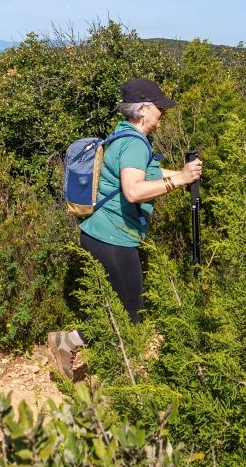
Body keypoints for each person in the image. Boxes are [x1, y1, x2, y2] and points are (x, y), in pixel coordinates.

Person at [78, 77, 204, 323]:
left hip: (101, 233)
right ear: (142, 109)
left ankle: (75, 344)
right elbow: (133, 191)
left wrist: (183, 174)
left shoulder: (124, 135)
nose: (163, 113)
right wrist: (179, 181)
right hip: (112, 237)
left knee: (119, 308)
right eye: (159, 107)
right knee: (131, 314)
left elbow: (145, 173)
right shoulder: (133, 143)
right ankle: (70, 342)